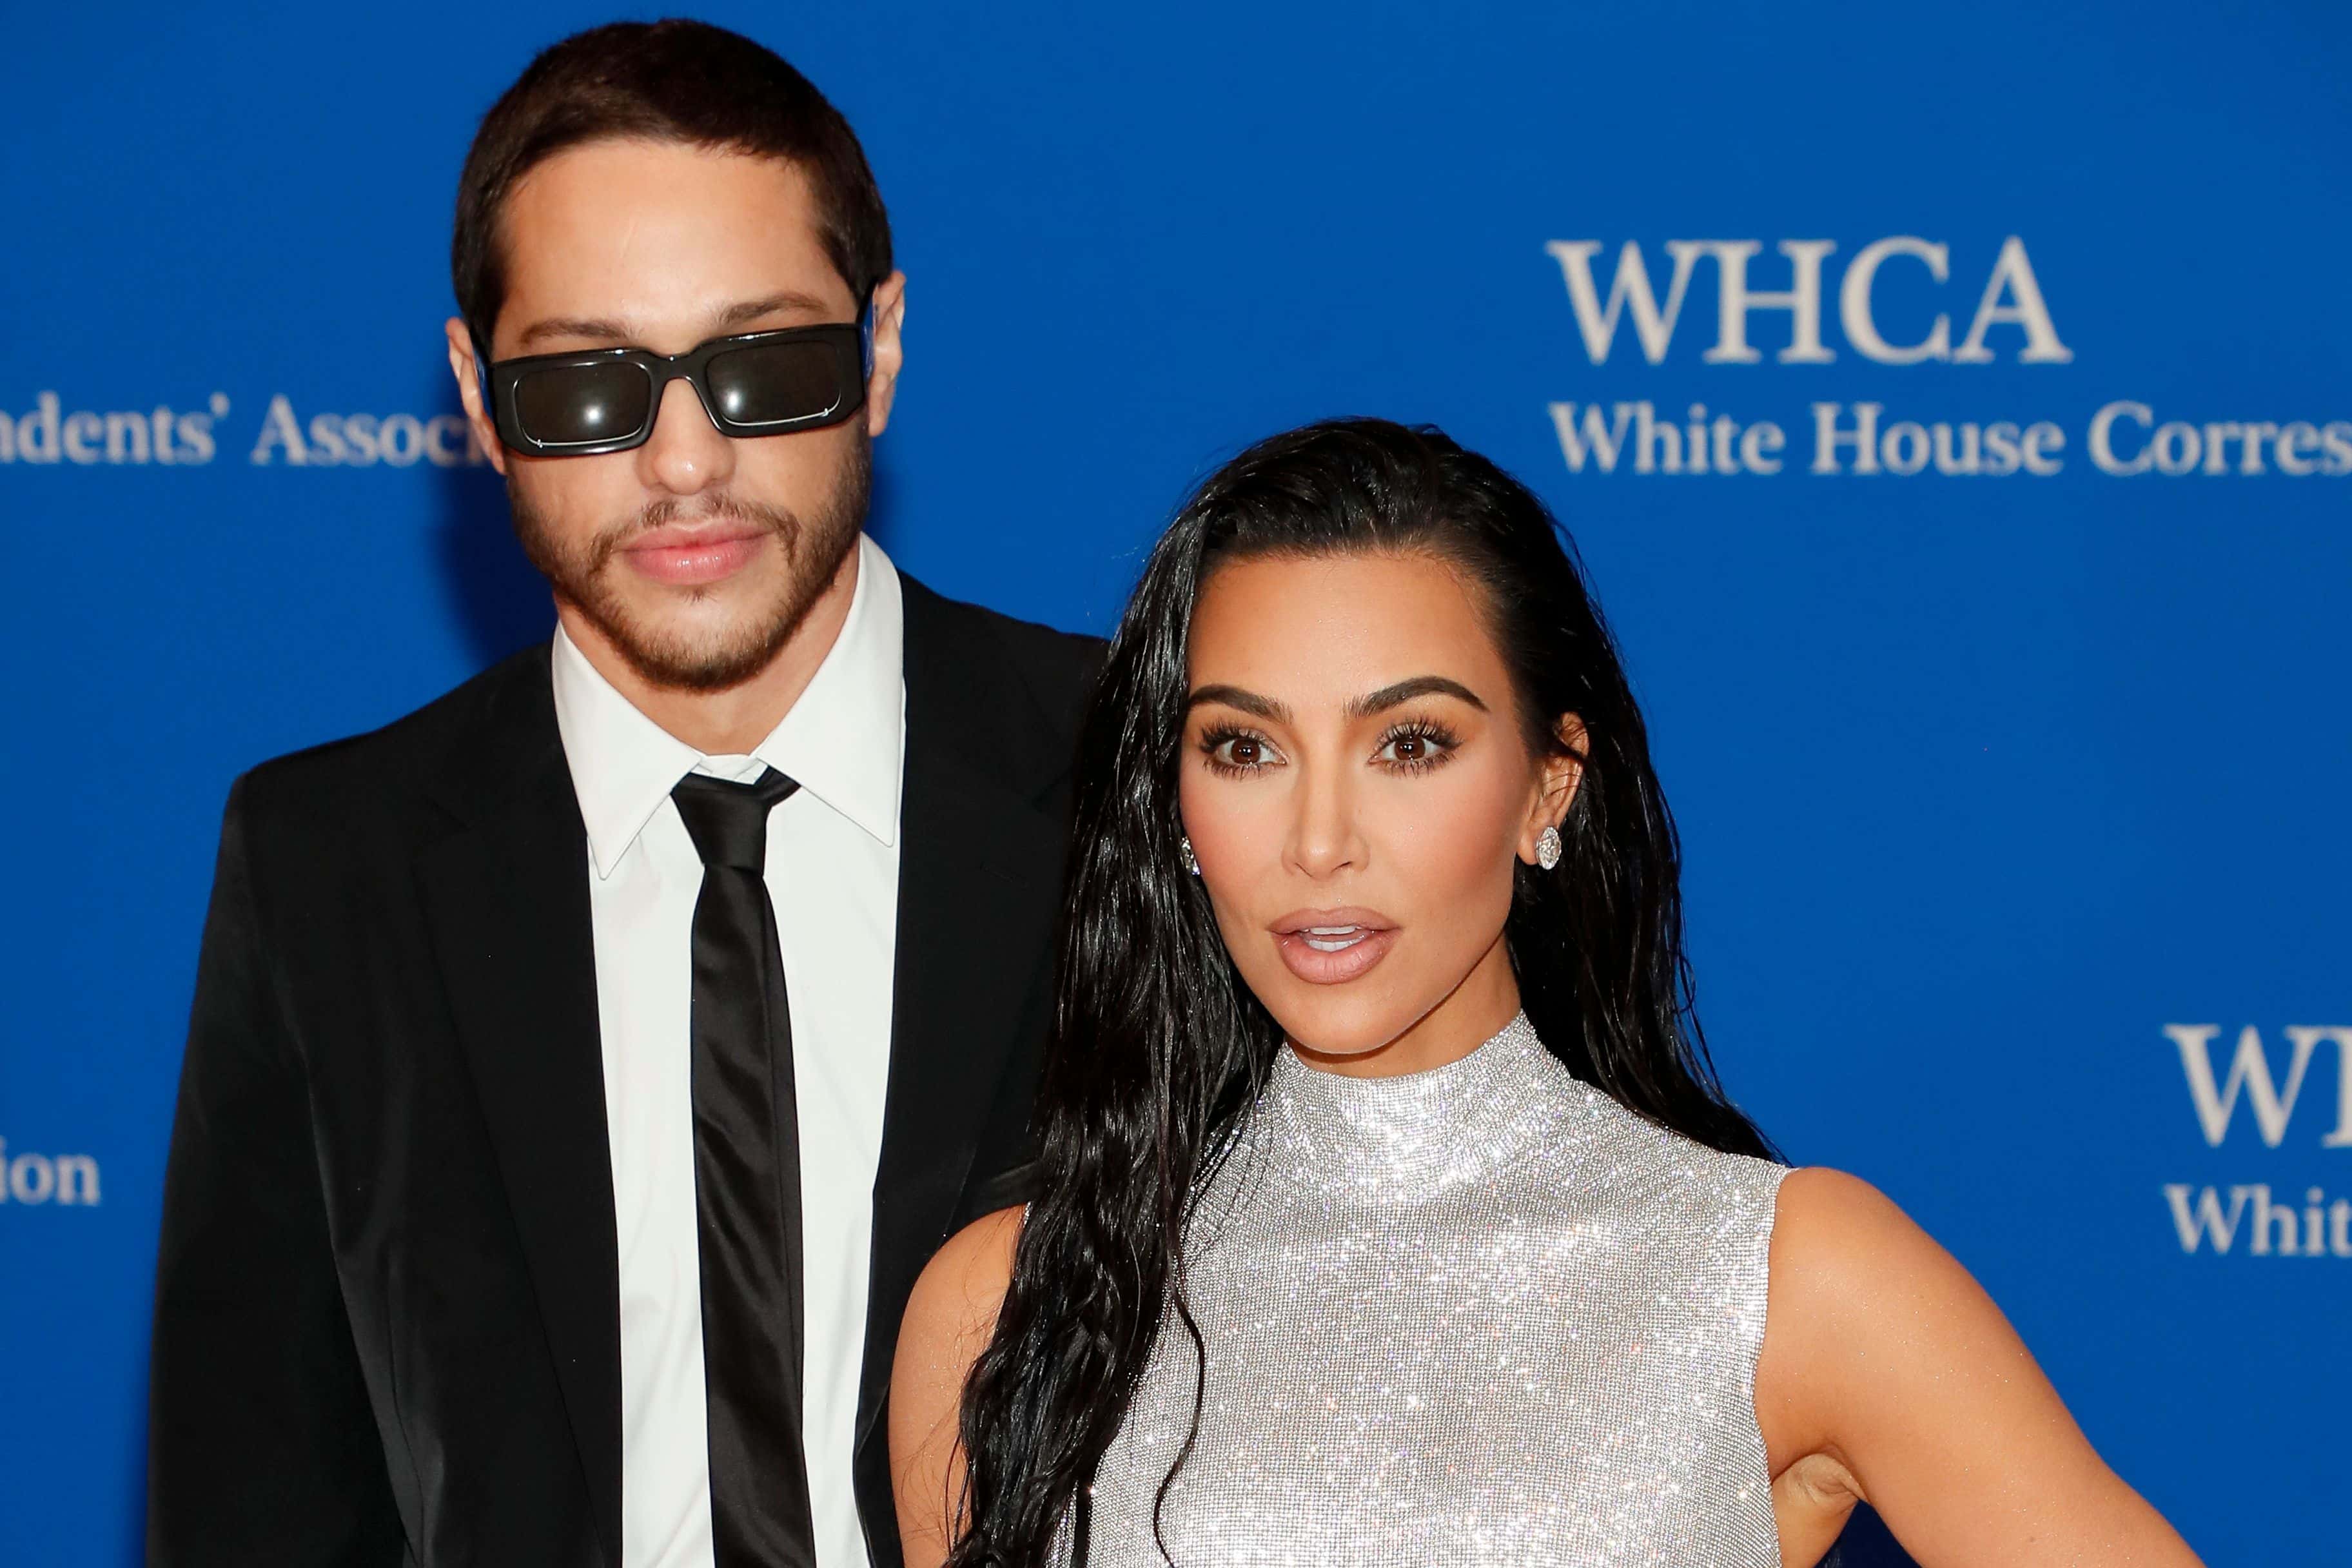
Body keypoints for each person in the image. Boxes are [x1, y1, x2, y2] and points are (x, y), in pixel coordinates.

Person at [888, 420, 2200, 1567]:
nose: (1320, 839)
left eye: (1411, 744)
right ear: (1175, 806)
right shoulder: (1010, 1312)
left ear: (1546, 786)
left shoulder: (1784, 1280)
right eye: (1245, 747)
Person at [148, 21, 1095, 1568]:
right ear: (473, 390)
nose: (682, 461)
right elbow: (254, 1499)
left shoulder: (1138, 771)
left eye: (766, 363)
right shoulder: (328, 867)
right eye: (586, 385)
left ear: (883, 350)